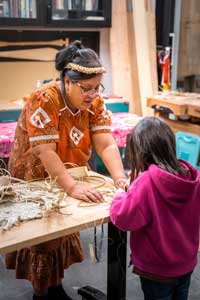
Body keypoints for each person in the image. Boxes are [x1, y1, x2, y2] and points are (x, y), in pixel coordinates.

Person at [6, 40, 127, 300]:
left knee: (62, 229)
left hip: (68, 173)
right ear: (67, 81)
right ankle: (42, 293)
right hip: (35, 176)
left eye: (97, 88)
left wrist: (120, 178)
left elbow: (105, 143)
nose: (93, 94)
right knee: (43, 236)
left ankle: (55, 288)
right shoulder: (45, 99)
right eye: (86, 88)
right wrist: (71, 186)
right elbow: (45, 151)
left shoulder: (93, 100)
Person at [110, 117, 200, 300]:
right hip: (186, 264)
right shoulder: (191, 176)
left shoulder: (147, 181)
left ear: (140, 152)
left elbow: (124, 217)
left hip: (157, 270)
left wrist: (119, 196)